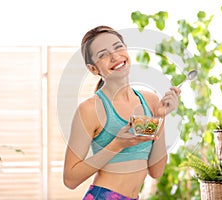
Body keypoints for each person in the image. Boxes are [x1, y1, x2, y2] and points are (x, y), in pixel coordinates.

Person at [63, 25, 181, 200]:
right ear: (93, 69)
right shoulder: (90, 109)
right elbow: (70, 179)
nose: (115, 56)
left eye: (118, 47)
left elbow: (156, 171)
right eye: (102, 54)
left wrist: (160, 118)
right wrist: (117, 144)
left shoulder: (150, 101)